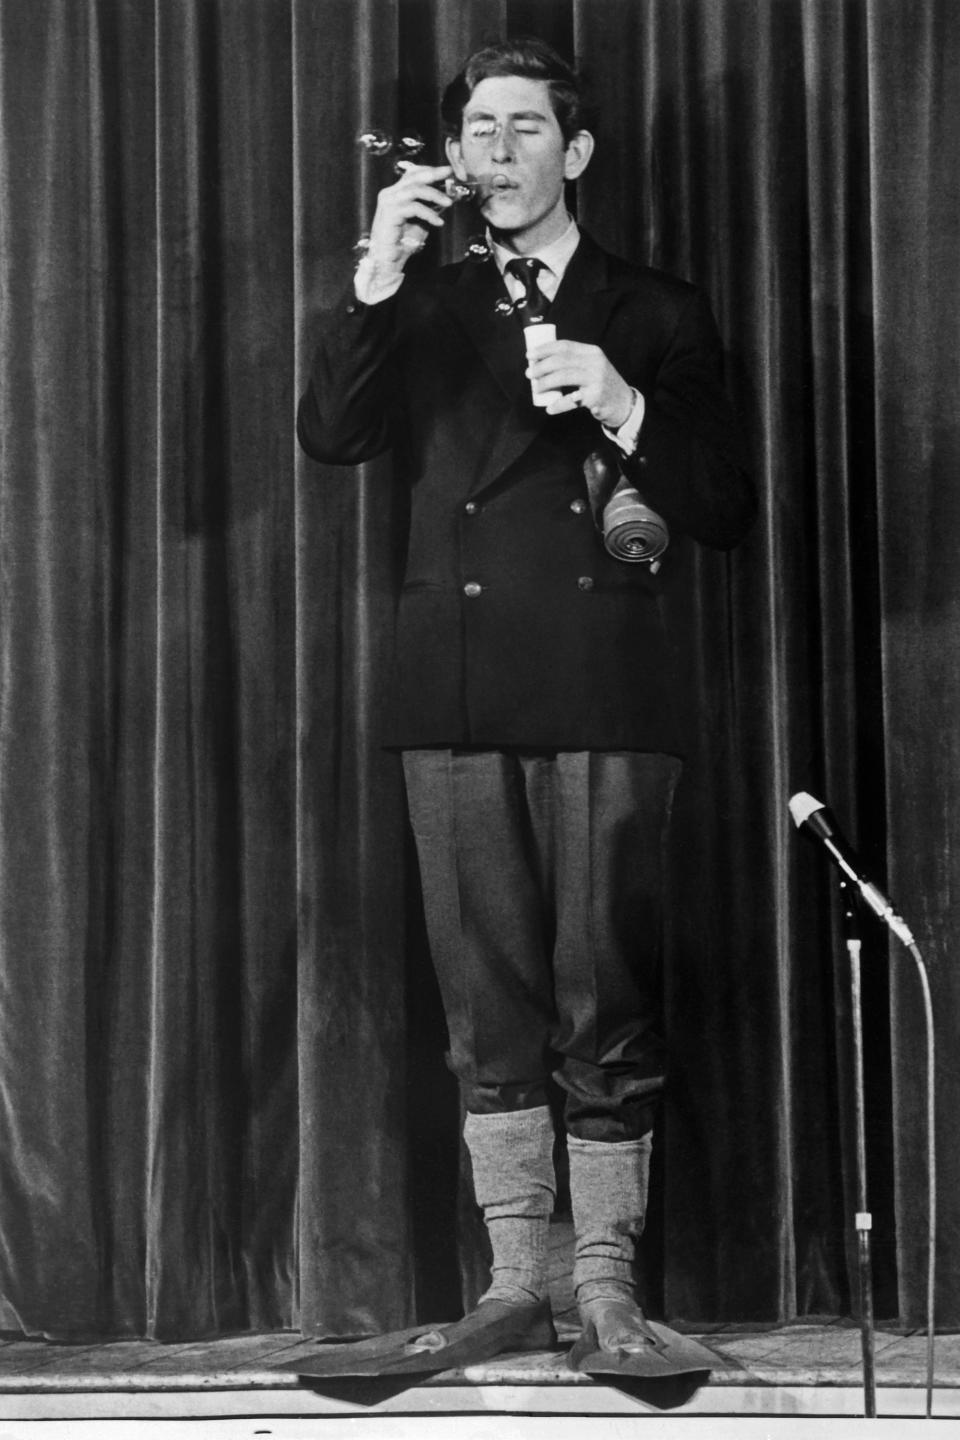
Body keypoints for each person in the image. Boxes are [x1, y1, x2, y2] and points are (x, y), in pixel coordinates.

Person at [297, 36, 755, 1374]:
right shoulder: (420, 304)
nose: (497, 152)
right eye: (478, 131)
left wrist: (618, 398)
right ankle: (517, 1285)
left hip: (610, 682)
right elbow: (334, 437)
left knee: (603, 994)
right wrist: (377, 275)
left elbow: (722, 507)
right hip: (453, 685)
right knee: (486, 1003)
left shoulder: (658, 310)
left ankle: (605, 1288)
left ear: (578, 151)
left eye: (524, 129)